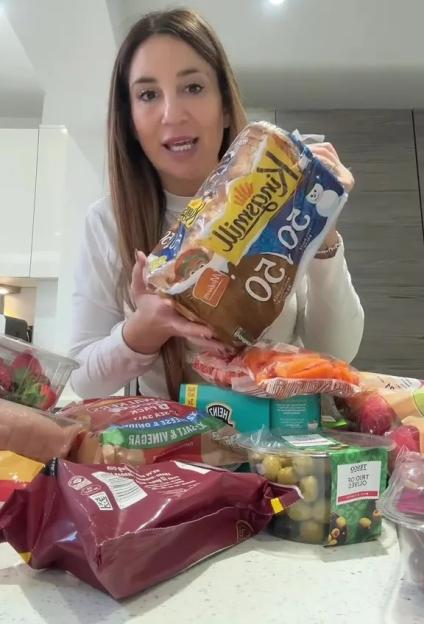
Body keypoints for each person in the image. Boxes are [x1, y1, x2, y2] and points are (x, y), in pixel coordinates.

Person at [69, 8, 364, 401]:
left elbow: (336, 353)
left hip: (273, 454)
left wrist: (321, 231)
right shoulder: (108, 222)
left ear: (224, 106)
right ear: (130, 121)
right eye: (148, 95)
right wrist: (143, 330)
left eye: (192, 87)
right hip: (166, 456)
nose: (172, 114)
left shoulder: (281, 198)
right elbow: (82, 380)